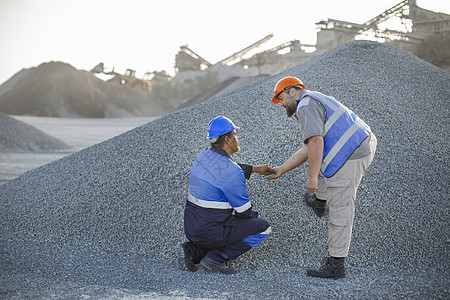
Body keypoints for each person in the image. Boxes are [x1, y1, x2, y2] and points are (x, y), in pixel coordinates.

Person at [267, 76, 377, 279]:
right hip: (360, 141)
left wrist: (312, 181)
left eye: (281, 98)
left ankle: (337, 265)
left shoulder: (305, 107)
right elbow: (308, 148)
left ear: (292, 91)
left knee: (341, 207)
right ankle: (319, 201)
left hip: (351, 154)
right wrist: (282, 169)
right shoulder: (312, 99)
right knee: (321, 161)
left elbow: (316, 143)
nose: (281, 104)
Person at [181, 116, 273, 274]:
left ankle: (192, 250)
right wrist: (254, 219)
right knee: (263, 228)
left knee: (215, 221)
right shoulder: (233, 172)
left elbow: (223, 169)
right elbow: (245, 212)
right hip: (210, 232)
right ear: (227, 139)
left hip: (191, 229)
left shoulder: (203, 156)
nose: (238, 138)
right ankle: (215, 259)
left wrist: (255, 169)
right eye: (235, 134)